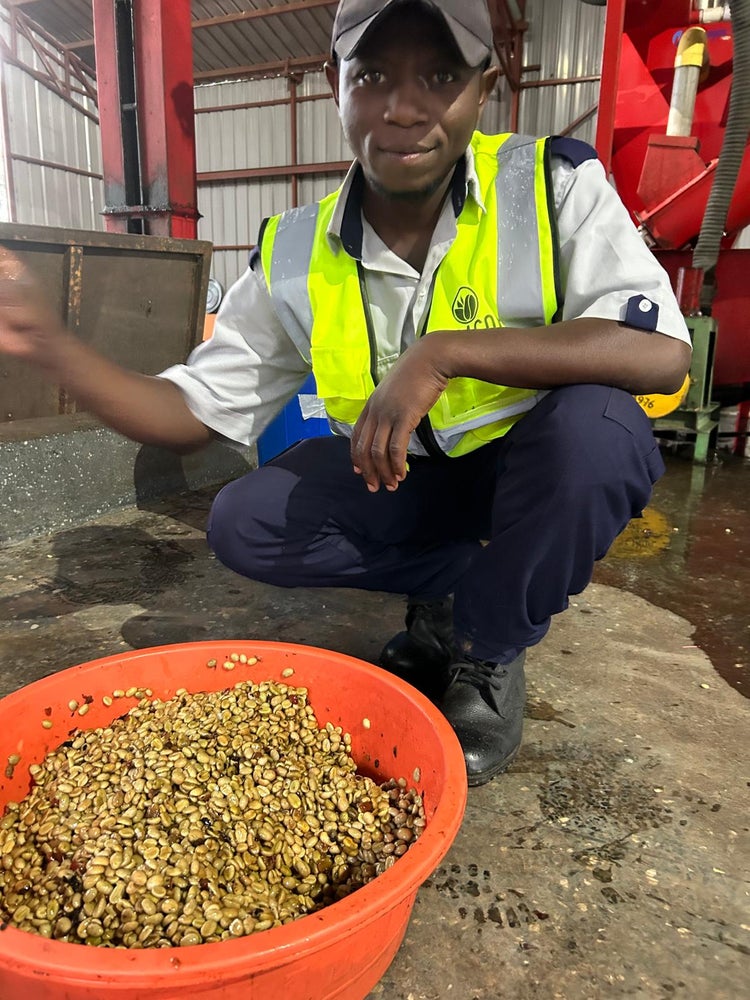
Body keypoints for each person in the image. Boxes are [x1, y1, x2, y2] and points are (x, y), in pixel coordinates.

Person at [0, 0, 691, 786]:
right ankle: (456, 591)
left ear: (484, 85)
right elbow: (189, 412)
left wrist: (443, 354)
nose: (403, 108)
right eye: (372, 77)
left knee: (598, 432)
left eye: (440, 76)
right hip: (407, 481)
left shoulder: (549, 185)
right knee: (247, 520)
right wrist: (49, 345)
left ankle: (487, 649)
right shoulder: (296, 248)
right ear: (335, 83)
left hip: (530, 477)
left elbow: (659, 354)